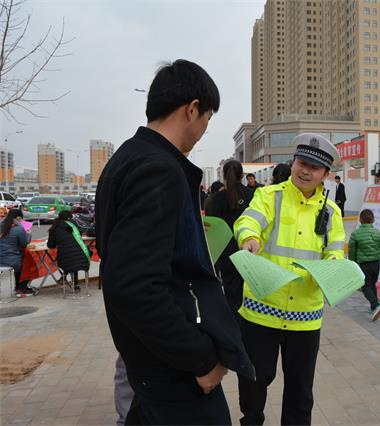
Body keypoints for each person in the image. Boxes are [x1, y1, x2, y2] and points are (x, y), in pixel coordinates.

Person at [95, 59, 254, 425]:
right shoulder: (158, 170)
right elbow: (134, 287)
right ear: (192, 108)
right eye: (206, 120)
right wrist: (200, 360)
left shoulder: (125, 159)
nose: (202, 131)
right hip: (172, 370)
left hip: (148, 360)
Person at [234, 133, 345, 425]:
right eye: (301, 162)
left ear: (326, 175)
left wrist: (333, 269)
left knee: (300, 393)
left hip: (305, 317)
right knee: (254, 383)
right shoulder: (269, 196)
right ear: (293, 162)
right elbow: (248, 220)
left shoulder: (331, 212)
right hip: (261, 312)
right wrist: (247, 238)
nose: (305, 170)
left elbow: (335, 252)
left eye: (314, 167)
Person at [205, 159, 253, 315]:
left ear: (224, 175)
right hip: (251, 252)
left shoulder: (216, 199)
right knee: (251, 295)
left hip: (227, 254)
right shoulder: (252, 195)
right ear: (242, 175)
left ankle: (234, 330)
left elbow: (213, 228)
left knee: (232, 296)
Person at [348, 209, 380, 321]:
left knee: (365, 286)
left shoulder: (355, 234)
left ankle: (376, 305)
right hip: (376, 264)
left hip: (364, 264)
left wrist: (353, 263)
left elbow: (352, 250)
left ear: (360, 220)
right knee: (372, 284)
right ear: (373, 220)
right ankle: (374, 306)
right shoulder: (378, 233)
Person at [47, 210, 90, 289]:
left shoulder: (55, 227)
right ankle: (75, 284)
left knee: (68, 257)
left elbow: (50, 245)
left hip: (65, 259)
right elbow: (79, 235)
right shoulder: (74, 225)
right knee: (73, 258)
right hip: (83, 258)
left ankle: (65, 279)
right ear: (69, 218)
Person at [0, 209, 32, 296]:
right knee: (30, 264)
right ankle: (22, 288)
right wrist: (29, 234)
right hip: (12, 259)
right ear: (18, 218)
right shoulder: (18, 229)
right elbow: (24, 244)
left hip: (1, 259)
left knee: (18, 264)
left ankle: (18, 287)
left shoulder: (1, 224)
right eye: (21, 219)